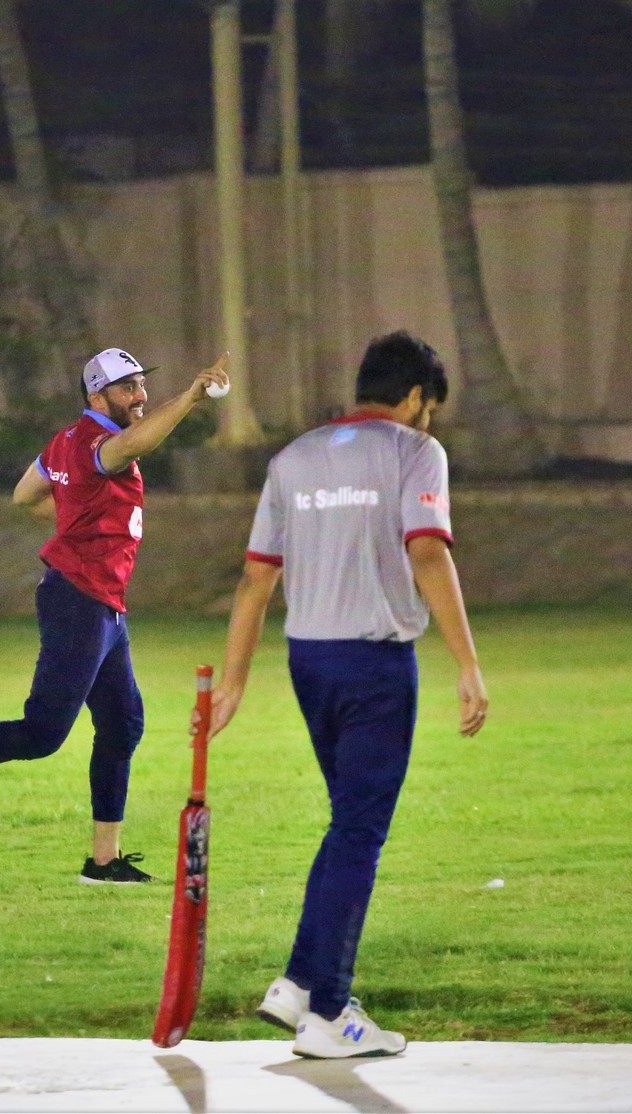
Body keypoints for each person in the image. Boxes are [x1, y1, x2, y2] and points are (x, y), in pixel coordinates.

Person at [207, 330, 488, 1058]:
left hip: (309, 660)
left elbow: (256, 578)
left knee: (347, 824)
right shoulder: (416, 451)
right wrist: (467, 662)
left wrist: (233, 681)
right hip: (375, 664)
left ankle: (300, 982)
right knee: (360, 832)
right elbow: (427, 552)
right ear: (416, 396)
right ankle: (330, 1014)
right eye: (430, 406)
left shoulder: (293, 459)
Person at [0, 347, 231, 885]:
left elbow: (25, 495)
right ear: (97, 398)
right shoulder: (97, 443)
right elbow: (135, 443)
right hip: (78, 601)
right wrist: (190, 398)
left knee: (123, 724)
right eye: (128, 387)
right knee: (42, 733)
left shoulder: (67, 440)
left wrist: (76, 516)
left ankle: (103, 862)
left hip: (101, 604)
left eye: (141, 385)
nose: (140, 395)